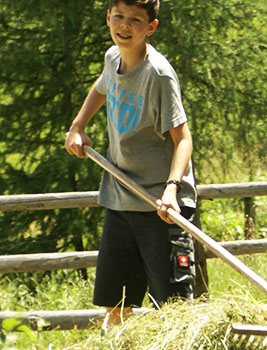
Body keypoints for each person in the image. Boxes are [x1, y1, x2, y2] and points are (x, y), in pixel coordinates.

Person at [63, 0, 197, 327]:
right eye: (119, 17)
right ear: (108, 18)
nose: (125, 26)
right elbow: (101, 89)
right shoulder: (112, 58)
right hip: (122, 198)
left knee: (173, 308)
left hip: (160, 206)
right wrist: (78, 126)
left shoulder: (159, 74)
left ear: (150, 27)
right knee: (116, 303)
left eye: (135, 20)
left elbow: (184, 140)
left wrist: (171, 190)